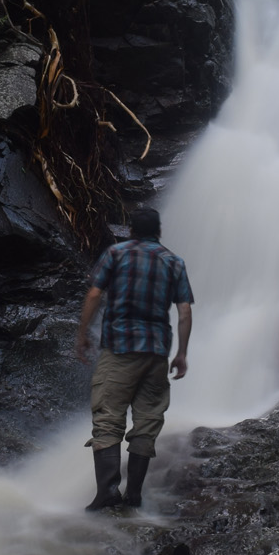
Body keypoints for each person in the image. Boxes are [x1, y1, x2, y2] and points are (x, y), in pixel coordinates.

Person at [74, 206, 193, 511]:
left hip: (120, 350)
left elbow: (94, 295)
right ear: (160, 232)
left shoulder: (116, 254)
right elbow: (184, 310)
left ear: (131, 230)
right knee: (147, 421)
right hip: (155, 354)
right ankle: (134, 495)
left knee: (108, 416)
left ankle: (108, 491)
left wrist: (83, 333)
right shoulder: (174, 262)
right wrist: (181, 352)